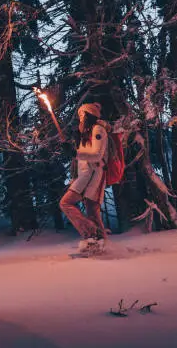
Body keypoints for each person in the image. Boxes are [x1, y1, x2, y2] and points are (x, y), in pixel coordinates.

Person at [60, 102, 111, 253]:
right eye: (79, 115)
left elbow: (97, 155)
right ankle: (98, 242)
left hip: (94, 176)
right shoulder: (85, 133)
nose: (80, 118)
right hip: (84, 176)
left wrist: (75, 153)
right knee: (87, 210)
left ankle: (93, 236)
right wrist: (72, 148)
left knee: (73, 205)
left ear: (90, 115)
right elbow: (82, 158)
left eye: (83, 115)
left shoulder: (98, 129)